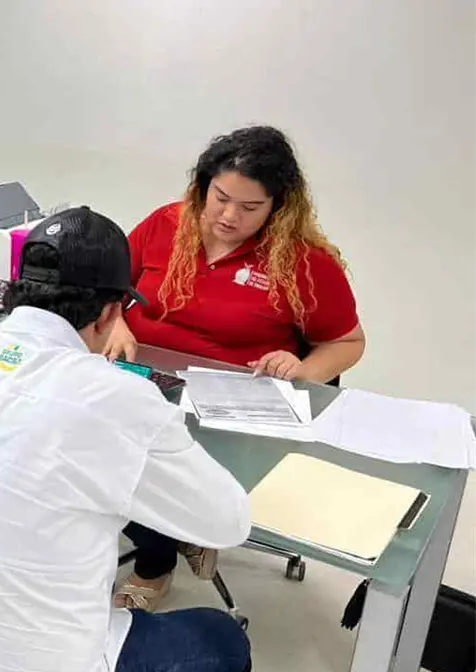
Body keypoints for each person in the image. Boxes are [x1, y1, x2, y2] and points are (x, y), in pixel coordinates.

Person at [0, 206, 253, 672]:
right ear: (111, 312)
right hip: (41, 664)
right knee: (221, 639)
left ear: (14, 289)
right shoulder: (119, 399)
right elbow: (229, 522)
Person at [104, 126, 365, 610]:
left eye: (250, 207)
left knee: (144, 460)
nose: (228, 216)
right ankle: (188, 526)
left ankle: (156, 562)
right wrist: (116, 320)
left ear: (278, 207)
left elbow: (347, 342)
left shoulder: (303, 262)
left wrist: (303, 367)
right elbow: (110, 287)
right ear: (202, 186)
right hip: (145, 380)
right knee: (91, 440)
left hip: (229, 408)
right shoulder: (167, 223)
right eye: (220, 198)